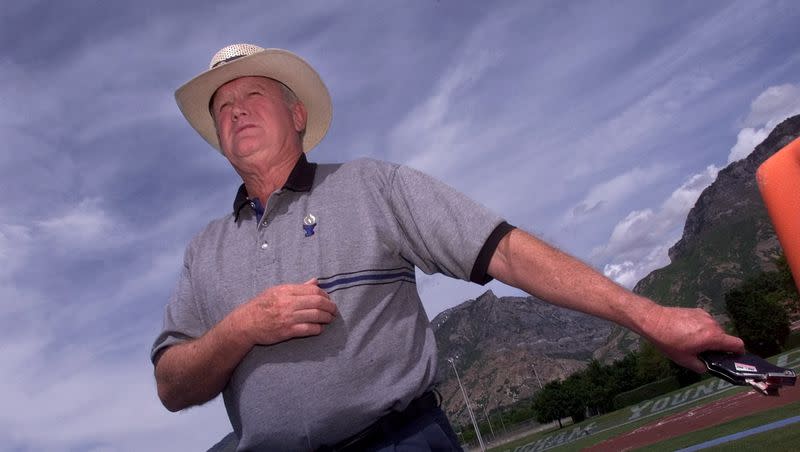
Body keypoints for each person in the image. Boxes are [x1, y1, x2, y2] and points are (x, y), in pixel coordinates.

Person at [151, 43, 744, 451]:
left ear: (296, 113)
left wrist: (651, 316)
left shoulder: (371, 186)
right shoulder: (204, 252)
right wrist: (242, 328)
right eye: (222, 109)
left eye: (251, 95)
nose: (236, 112)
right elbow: (172, 386)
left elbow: (506, 251)